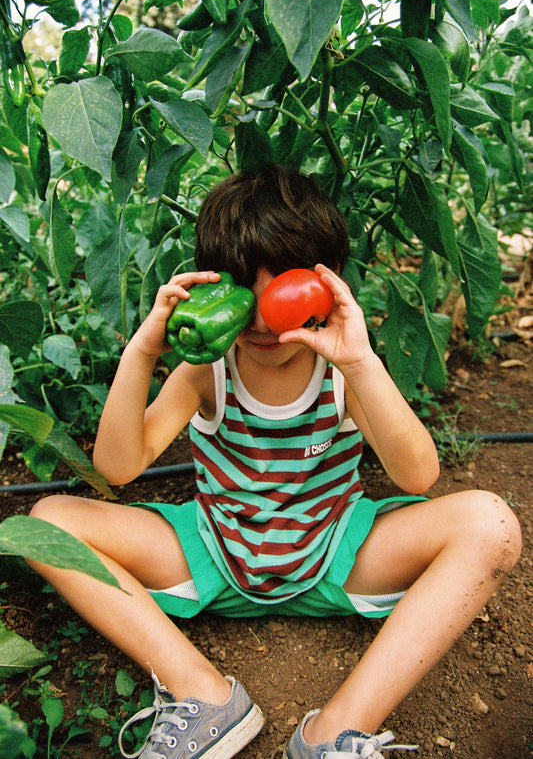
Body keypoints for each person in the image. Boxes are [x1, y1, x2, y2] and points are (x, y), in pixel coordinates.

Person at [27, 166, 522, 759]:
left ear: (327, 282)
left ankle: (333, 731)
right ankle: (204, 696)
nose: (261, 320)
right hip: (217, 549)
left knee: (489, 524)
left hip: (337, 552)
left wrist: (361, 363)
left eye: (282, 289)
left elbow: (417, 475)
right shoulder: (204, 371)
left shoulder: (342, 366)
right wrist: (143, 349)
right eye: (241, 290)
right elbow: (118, 466)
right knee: (47, 523)